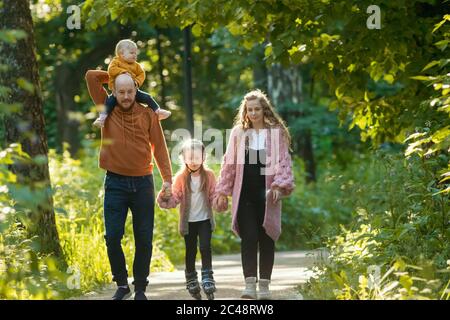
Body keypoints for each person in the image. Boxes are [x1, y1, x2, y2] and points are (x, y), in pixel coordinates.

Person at [85, 70, 173, 300]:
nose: (125, 96)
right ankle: (122, 284)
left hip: (144, 183)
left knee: (144, 238)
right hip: (115, 182)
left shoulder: (148, 114)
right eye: (121, 91)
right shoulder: (107, 109)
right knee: (112, 237)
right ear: (113, 91)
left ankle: (141, 288)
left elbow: (160, 149)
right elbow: (91, 77)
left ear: (137, 91)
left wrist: (168, 180)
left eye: (130, 91)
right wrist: (120, 71)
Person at [214, 89, 295, 300]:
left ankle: (265, 286)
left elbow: (283, 161)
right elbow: (229, 164)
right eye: (249, 110)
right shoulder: (238, 133)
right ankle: (250, 284)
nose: (253, 113)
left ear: (264, 109)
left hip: (268, 196)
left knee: (267, 237)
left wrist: (278, 186)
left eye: (257, 109)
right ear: (245, 111)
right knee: (248, 238)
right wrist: (223, 190)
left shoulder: (275, 132)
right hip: (245, 196)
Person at [157, 139, 227, 300]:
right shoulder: (181, 178)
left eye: (197, 157)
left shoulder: (208, 176)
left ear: (204, 157)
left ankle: (207, 276)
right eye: (190, 157)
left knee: (205, 247)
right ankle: (191, 278)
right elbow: (175, 198)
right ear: (184, 159)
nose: (194, 161)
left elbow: (213, 195)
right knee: (191, 250)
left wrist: (220, 200)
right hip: (188, 222)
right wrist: (165, 196)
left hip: (204, 220)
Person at [93, 39, 171, 127]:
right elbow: (111, 70)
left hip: (133, 91)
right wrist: (122, 72)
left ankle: (158, 111)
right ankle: (102, 119)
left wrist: (136, 82)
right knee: (109, 103)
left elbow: (142, 74)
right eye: (132, 53)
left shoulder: (136, 65)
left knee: (147, 97)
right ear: (121, 54)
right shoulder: (116, 62)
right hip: (117, 92)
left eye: (135, 53)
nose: (135, 55)